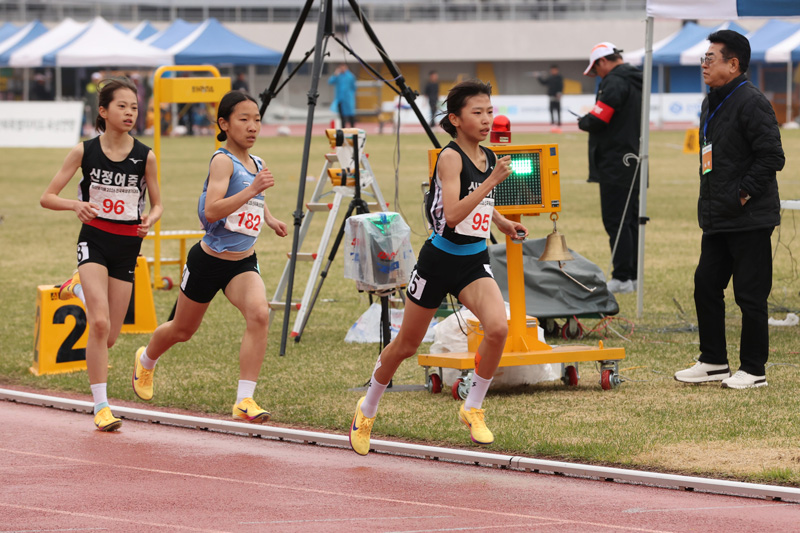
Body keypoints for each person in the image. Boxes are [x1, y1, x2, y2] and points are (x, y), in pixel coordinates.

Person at [349, 80, 528, 456]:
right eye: (477, 113)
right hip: (439, 260)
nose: (486, 120)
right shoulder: (449, 158)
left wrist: (503, 223)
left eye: (489, 111)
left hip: (473, 260)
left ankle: (473, 407)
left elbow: (480, 204)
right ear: (456, 119)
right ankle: (366, 410)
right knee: (407, 346)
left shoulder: (489, 157)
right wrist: (492, 182)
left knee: (498, 329)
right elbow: (452, 213)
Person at [131, 90, 288, 422]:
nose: (252, 127)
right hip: (209, 260)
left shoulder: (256, 163)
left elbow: (253, 201)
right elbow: (213, 210)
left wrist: (270, 219)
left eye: (257, 120)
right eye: (243, 119)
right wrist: (253, 189)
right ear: (224, 124)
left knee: (259, 315)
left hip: (242, 262)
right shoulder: (221, 161)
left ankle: (244, 400)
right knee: (182, 330)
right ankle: (145, 360)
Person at [40, 78, 162, 431]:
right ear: (104, 111)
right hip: (94, 240)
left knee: (109, 337)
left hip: (128, 246)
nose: (129, 113)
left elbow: (158, 204)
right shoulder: (84, 151)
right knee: (100, 323)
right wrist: (75, 205)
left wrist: (149, 220)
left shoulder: (146, 156)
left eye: (134, 107)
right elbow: (47, 197)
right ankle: (101, 406)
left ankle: (77, 287)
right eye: (122, 106)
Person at [674, 30, 784, 390]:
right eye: (703, 59)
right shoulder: (712, 101)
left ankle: (754, 370)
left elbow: (772, 156)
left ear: (733, 64)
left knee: (749, 295)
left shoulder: (752, 101)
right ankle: (713, 361)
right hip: (718, 216)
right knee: (706, 284)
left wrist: (743, 193)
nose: (703, 65)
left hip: (748, 216)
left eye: (710, 58)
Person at [577, 42, 642, 294]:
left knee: (616, 220)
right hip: (634, 157)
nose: (598, 76)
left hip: (615, 160)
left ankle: (622, 276)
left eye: (596, 70)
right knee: (632, 219)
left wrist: (584, 121)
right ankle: (633, 276)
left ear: (603, 61)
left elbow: (599, 118)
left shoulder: (614, 81)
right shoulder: (638, 79)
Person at [328, 63, 357, 128]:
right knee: (342, 116)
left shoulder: (350, 76)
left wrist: (350, 95)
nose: (342, 69)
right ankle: (343, 129)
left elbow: (354, 87)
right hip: (340, 99)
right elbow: (330, 82)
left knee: (350, 115)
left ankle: (353, 129)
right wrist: (335, 74)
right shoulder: (338, 76)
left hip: (348, 99)